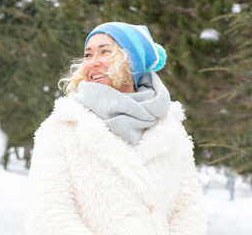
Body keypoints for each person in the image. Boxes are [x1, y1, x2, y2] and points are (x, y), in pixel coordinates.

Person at [26, 22, 206, 235]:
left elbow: (188, 209)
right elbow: (50, 215)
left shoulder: (170, 129)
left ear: (132, 61)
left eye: (104, 52)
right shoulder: (63, 127)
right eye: (87, 55)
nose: (93, 62)